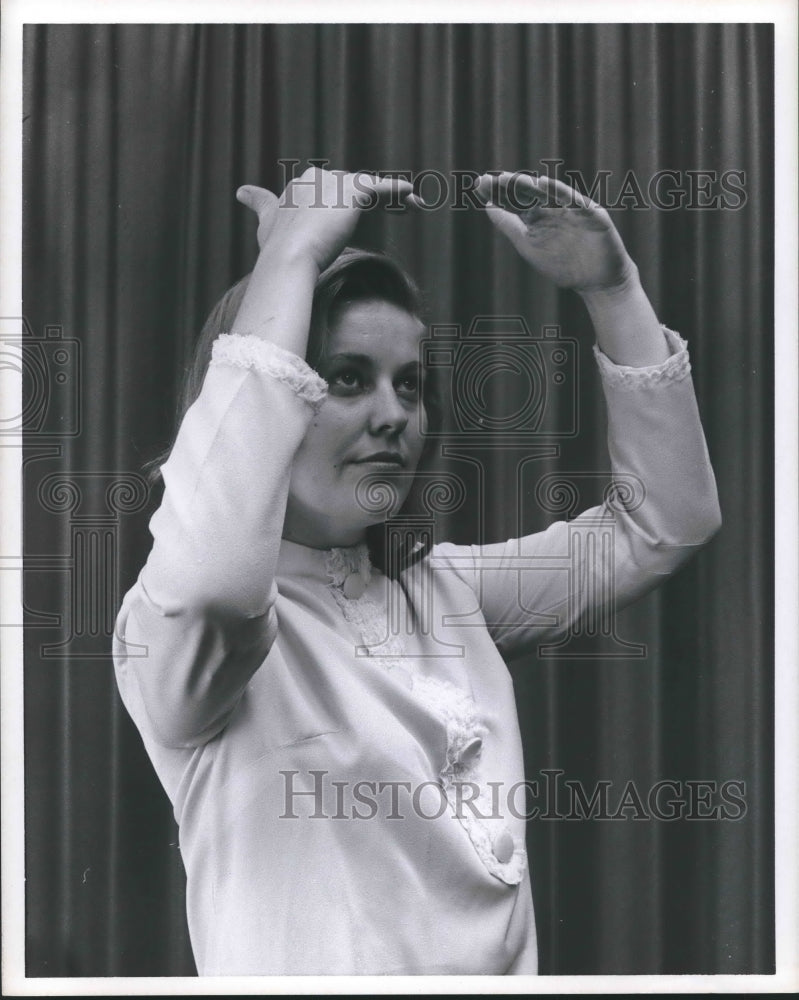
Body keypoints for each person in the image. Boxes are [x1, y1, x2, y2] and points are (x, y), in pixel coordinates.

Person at [112, 166, 721, 975]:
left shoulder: (447, 592)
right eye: (346, 378)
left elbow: (666, 522)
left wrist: (613, 293)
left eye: (411, 385)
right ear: (276, 392)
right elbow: (219, 578)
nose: (393, 413)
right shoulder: (179, 634)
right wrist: (289, 260)